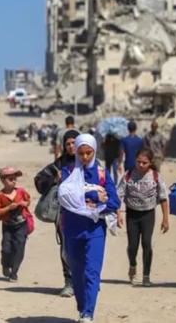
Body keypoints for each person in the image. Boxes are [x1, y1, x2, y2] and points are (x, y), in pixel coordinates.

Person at [58, 134, 120, 323]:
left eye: (89, 153)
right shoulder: (68, 172)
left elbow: (114, 201)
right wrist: (94, 195)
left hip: (95, 231)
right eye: (81, 153)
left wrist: (90, 201)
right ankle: (82, 307)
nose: (85, 157)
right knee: (77, 273)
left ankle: (88, 313)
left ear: (94, 151)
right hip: (72, 230)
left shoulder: (102, 174)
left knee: (92, 272)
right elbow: (65, 195)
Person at [34, 129, 80, 297]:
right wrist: (54, 179)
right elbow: (39, 180)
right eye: (68, 144)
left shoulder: (89, 161)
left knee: (85, 246)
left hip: (86, 213)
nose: (71, 146)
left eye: (74, 143)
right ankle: (69, 282)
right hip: (64, 214)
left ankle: (86, 280)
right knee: (66, 247)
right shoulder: (59, 164)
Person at [116, 148, 170, 287]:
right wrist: (118, 213)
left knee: (146, 243)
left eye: (144, 163)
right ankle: (132, 265)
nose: (140, 165)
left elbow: (163, 198)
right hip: (132, 214)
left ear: (150, 163)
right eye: (138, 162)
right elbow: (119, 195)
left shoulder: (155, 176)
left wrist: (165, 218)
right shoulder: (128, 175)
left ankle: (146, 276)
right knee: (132, 245)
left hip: (148, 214)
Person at [0, 167, 31, 282]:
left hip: (21, 225)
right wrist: (9, 207)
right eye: (10, 179)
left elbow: (28, 200)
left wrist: (24, 203)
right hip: (8, 226)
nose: (14, 181)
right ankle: (5, 264)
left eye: (15, 179)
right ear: (3, 180)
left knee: (19, 248)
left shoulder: (21, 191)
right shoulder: (0, 195)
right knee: (6, 249)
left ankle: (14, 273)